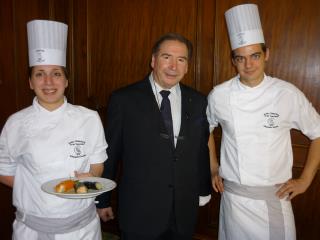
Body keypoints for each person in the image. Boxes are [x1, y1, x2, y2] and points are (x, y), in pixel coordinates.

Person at [207, 3, 320, 240]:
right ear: (233, 60)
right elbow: (206, 129)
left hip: (274, 200)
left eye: (255, 55)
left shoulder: (287, 94)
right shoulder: (219, 94)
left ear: (266, 54)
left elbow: (318, 132)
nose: (248, 65)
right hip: (233, 200)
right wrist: (214, 167)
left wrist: (305, 180)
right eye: (241, 58)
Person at [96, 33, 212, 239]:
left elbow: (200, 150)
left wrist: (203, 190)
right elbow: (111, 153)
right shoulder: (124, 99)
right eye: (166, 57)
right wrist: (103, 199)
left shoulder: (198, 101)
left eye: (181, 59)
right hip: (139, 213)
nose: (173, 66)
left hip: (183, 212)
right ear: (153, 61)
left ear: (187, 66)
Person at [0, 20, 107, 240]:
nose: (48, 81)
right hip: (33, 229)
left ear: (66, 80)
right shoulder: (15, 123)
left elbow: (97, 165)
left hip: (83, 229)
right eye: (39, 74)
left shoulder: (89, 118)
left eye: (56, 73)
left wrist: (90, 178)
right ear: (30, 82)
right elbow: (4, 170)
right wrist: (41, 188)